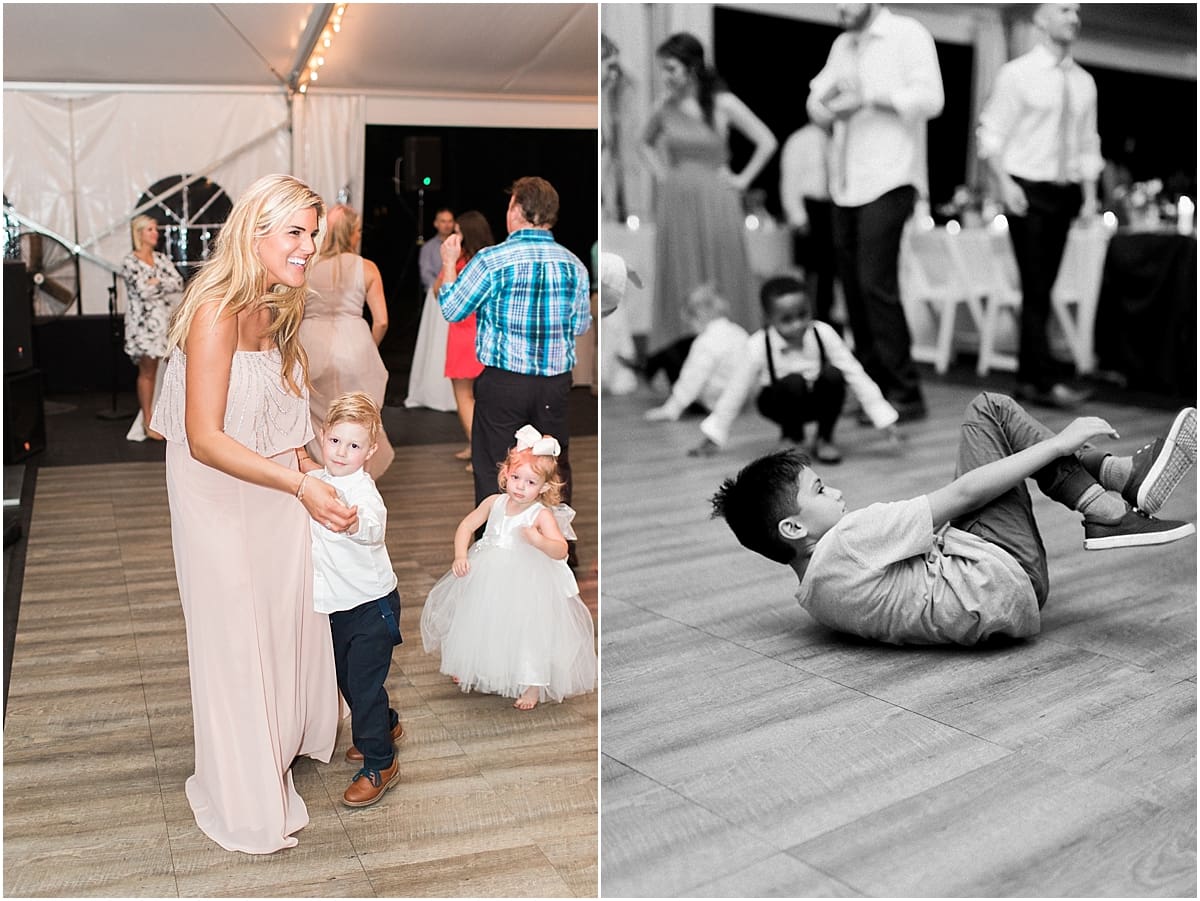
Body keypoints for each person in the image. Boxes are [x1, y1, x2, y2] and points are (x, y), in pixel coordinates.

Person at [149, 173, 356, 853]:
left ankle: (283, 736)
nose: (308, 246)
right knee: (236, 626)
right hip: (215, 492)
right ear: (255, 231)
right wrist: (297, 486)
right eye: (295, 232)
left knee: (283, 613)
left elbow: (282, 406)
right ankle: (242, 782)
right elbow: (204, 437)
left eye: (313, 232)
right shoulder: (212, 307)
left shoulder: (283, 298)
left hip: (272, 481)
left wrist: (307, 468)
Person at [711, 396, 1196, 646]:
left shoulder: (815, 597)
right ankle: (1111, 497)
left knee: (990, 448)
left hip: (999, 601)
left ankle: (1112, 486)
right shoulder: (852, 538)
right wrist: (1059, 441)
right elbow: (965, 493)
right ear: (793, 529)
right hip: (1003, 572)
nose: (835, 490)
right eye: (818, 490)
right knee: (989, 410)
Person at [436, 176, 592, 555]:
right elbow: (581, 325)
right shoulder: (573, 265)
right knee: (553, 467)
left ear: (517, 209)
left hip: (504, 383)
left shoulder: (492, 259)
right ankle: (557, 556)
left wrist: (448, 265)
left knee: (496, 467)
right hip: (554, 384)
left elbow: (452, 308)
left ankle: (496, 555)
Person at [806, 3, 944, 422]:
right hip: (845, 184)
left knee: (874, 284)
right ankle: (873, 392)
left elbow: (932, 100)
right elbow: (815, 103)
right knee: (853, 290)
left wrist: (869, 99)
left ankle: (906, 392)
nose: (839, 7)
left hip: (891, 178)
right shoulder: (842, 45)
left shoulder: (908, 34)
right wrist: (828, 105)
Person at [977, 3, 1102, 409]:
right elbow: (990, 132)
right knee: (1036, 287)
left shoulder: (1084, 83)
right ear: (1040, 21)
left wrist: (1088, 196)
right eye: (1064, 9)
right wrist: (1005, 183)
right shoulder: (1017, 74)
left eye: (1076, 11)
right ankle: (1042, 381)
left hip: (1066, 192)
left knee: (1043, 286)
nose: (1074, 17)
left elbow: (1087, 143)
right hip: (1026, 189)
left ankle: (1031, 379)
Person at [420, 425, 597, 709]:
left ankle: (532, 685)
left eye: (530, 482)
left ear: (545, 487)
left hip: (526, 580)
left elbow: (561, 549)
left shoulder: (541, 514)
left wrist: (538, 540)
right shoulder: (494, 502)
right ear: (505, 474)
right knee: (484, 620)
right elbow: (466, 526)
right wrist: (459, 555)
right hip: (488, 572)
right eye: (516, 477)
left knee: (527, 630)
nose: (520, 487)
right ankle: (475, 665)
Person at [640, 32, 778, 359]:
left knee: (724, 269)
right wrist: (662, 175)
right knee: (681, 272)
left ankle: (734, 356)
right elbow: (642, 142)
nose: (666, 77)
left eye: (671, 68)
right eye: (663, 69)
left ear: (692, 67)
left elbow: (767, 140)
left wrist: (742, 179)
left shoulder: (722, 102)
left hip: (717, 200)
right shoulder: (663, 107)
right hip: (676, 201)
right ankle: (684, 356)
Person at [306, 392, 404, 808]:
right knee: (349, 682)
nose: (343, 452)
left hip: (371, 607)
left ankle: (381, 762)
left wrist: (353, 524)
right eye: (335, 441)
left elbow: (373, 528)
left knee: (362, 687)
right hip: (336, 606)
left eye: (354, 445)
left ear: (371, 451)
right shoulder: (319, 482)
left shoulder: (363, 493)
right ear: (322, 437)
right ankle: (386, 724)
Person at [690, 275, 898, 464]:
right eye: (787, 319)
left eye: (803, 314)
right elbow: (736, 389)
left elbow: (855, 372)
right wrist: (715, 433)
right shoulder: (758, 344)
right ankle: (791, 437)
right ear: (769, 318)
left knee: (834, 375)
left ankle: (825, 438)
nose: (798, 324)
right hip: (779, 401)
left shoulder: (823, 333)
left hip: (816, 398)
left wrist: (882, 415)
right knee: (793, 382)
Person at [300, 203, 394, 480]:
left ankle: (325, 476)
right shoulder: (367, 268)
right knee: (359, 417)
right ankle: (356, 478)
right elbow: (382, 321)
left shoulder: (307, 266)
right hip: (355, 345)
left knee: (320, 418)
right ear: (353, 232)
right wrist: (368, 347)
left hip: (311, 345)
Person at [438, 210, 496, 469]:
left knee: (463, 396)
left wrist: (446, 263)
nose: (454, 235)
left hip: (463, 333)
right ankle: (475, 445)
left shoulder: (460, 263)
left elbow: (439, 292)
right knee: (483, 398)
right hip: (485, 332)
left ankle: (480, 453)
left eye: (459, 231)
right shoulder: (489, 262)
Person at [643, 284, 747, 422]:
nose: (691, 329)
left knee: (683, 366)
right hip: (738, 402)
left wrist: (670, 410)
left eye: (689, 324)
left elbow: (692, 379)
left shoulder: (705, 341)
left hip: (714, 404)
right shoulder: (740, 333)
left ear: (698, 316)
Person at [121, 214, 184, 441]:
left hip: (165, 325)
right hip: (144, 327)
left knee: (168, 373)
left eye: (155, 229)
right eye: (150, 229)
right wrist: (159, 284)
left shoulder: (161, 259)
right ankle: (148, 422)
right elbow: (141, 290)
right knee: (148, 373)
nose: (155, 233)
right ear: (139, 234)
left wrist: (156, 283)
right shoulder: (130, 261)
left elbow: (177, 282)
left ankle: (165, 418)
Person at [779, 123, 839, 331]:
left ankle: (827, 318)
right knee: (812, 272)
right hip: (810, 209)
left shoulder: (837, 139)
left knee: (829, 272)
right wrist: (797, 216)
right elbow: (790, 180)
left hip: (832, 207)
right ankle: (810, 320)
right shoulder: (800, 139)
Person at [418, 207, 456, 293]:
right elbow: (425, 273)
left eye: (450, 221)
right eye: (443, 221)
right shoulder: (428, 247)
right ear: (436, 223)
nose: (447, 225)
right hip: (435, 292)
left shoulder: (459, 244)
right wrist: (440, 288)